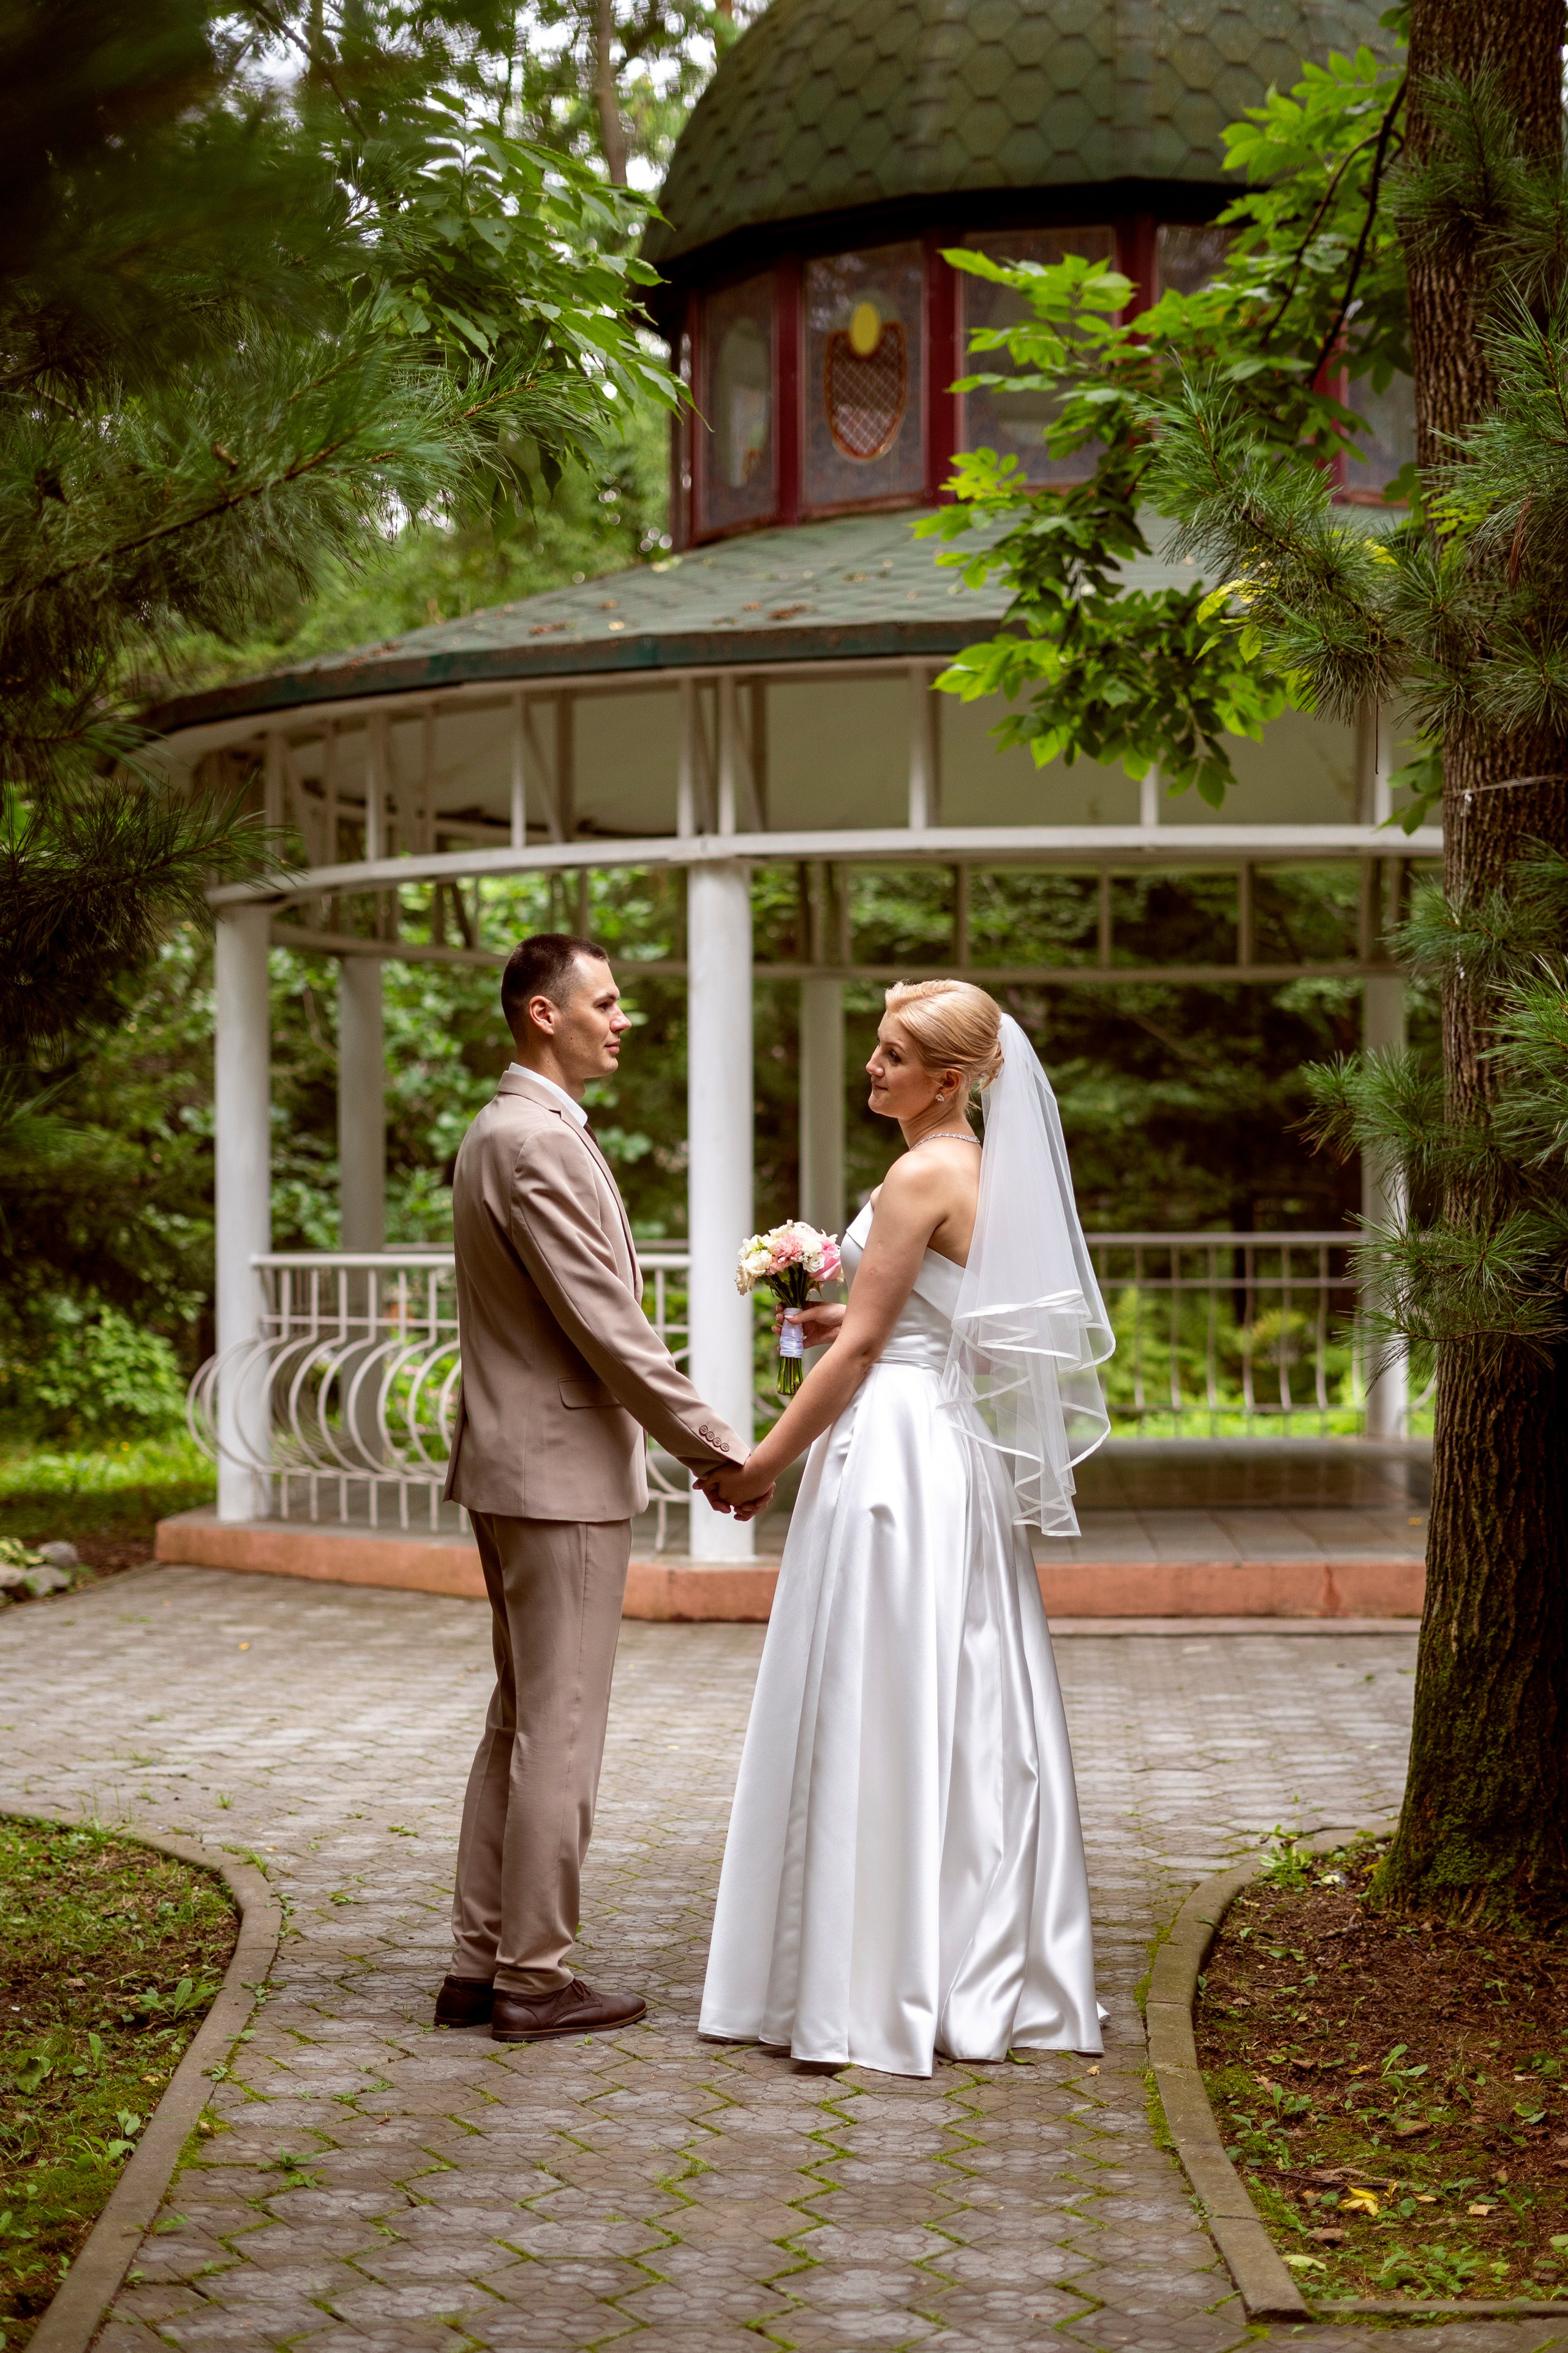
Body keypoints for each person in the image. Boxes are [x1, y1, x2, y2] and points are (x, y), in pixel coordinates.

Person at [696, 980, 1113, 2078]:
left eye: (892, 1057)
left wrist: (758, 1466)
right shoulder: (982, 1173)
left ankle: (866, 1979)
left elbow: (863, 1353)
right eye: (875, 1050)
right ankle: (947, 1961)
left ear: (950, 1078)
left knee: (877, 1692)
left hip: (892, 1459)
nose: (871, 1069)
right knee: (957, 1696)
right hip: (951, 1450)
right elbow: (962, 1330)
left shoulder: (921, 1169)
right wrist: (851, 1314)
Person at [436, 934, 773, 2045]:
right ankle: (535, 1976)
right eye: (606, 1002)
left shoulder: (498, 1133)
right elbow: (608, 1325)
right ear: (544, 1013)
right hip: (559, 1476)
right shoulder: (538, 1144)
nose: (622, 1019)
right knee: (560, 1730)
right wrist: (717, 1444)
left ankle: (478, 1965)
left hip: (511, 1465)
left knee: (521, 1717)